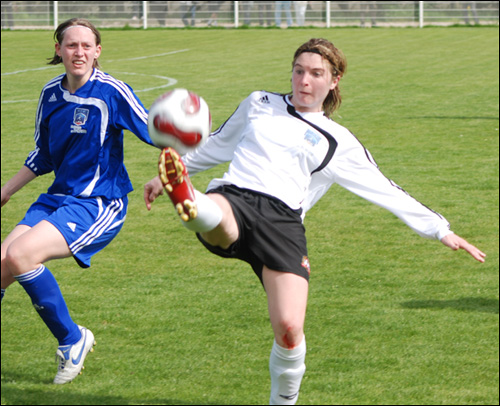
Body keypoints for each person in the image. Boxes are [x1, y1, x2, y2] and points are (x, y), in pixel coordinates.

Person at [144, 38, 486, 404]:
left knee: (290, 329)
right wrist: (167, 178)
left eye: (316, 74)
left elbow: (383, 187)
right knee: (219, 222)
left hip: (283, 222)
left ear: (334, 80)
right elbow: (217, 144)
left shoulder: (336, 140)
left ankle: (283, 402)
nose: (304, 81)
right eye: (299, 71)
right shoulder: (260, 102)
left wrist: (440, 229)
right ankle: (190, 201)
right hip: (236, 196)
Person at [1, 18, 155, 384]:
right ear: (59, 49)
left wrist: (191, 134)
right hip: (57, 198)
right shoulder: (50, 95)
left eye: (87, 46)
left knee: (22, 255)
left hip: (99, 203)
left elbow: (154, 131)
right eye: (71, 45)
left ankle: (73, 339)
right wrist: (6, 191)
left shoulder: (111, 92)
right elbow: (43, 156)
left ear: (98, 52)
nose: (79, 52)